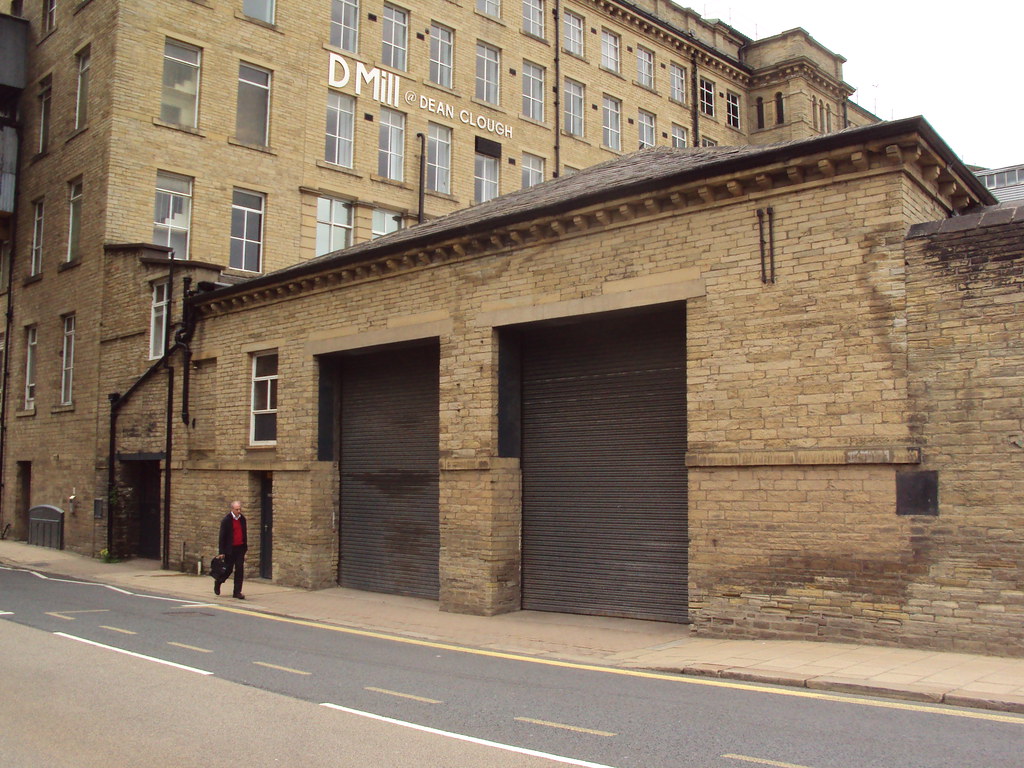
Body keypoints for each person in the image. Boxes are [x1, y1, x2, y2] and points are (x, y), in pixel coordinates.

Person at [215, 500, 247, 599]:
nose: (239, 511)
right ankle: (219, 581)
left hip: (240, 548)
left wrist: (245, 546)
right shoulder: (226, 520)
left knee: (239, 570)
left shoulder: (242, 519)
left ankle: (237, 592)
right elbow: (222, 536)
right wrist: (221, 552)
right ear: (232, 509)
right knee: (228, 570)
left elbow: (244, 532)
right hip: (230, 549)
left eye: (239, 509)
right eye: (237, 509)